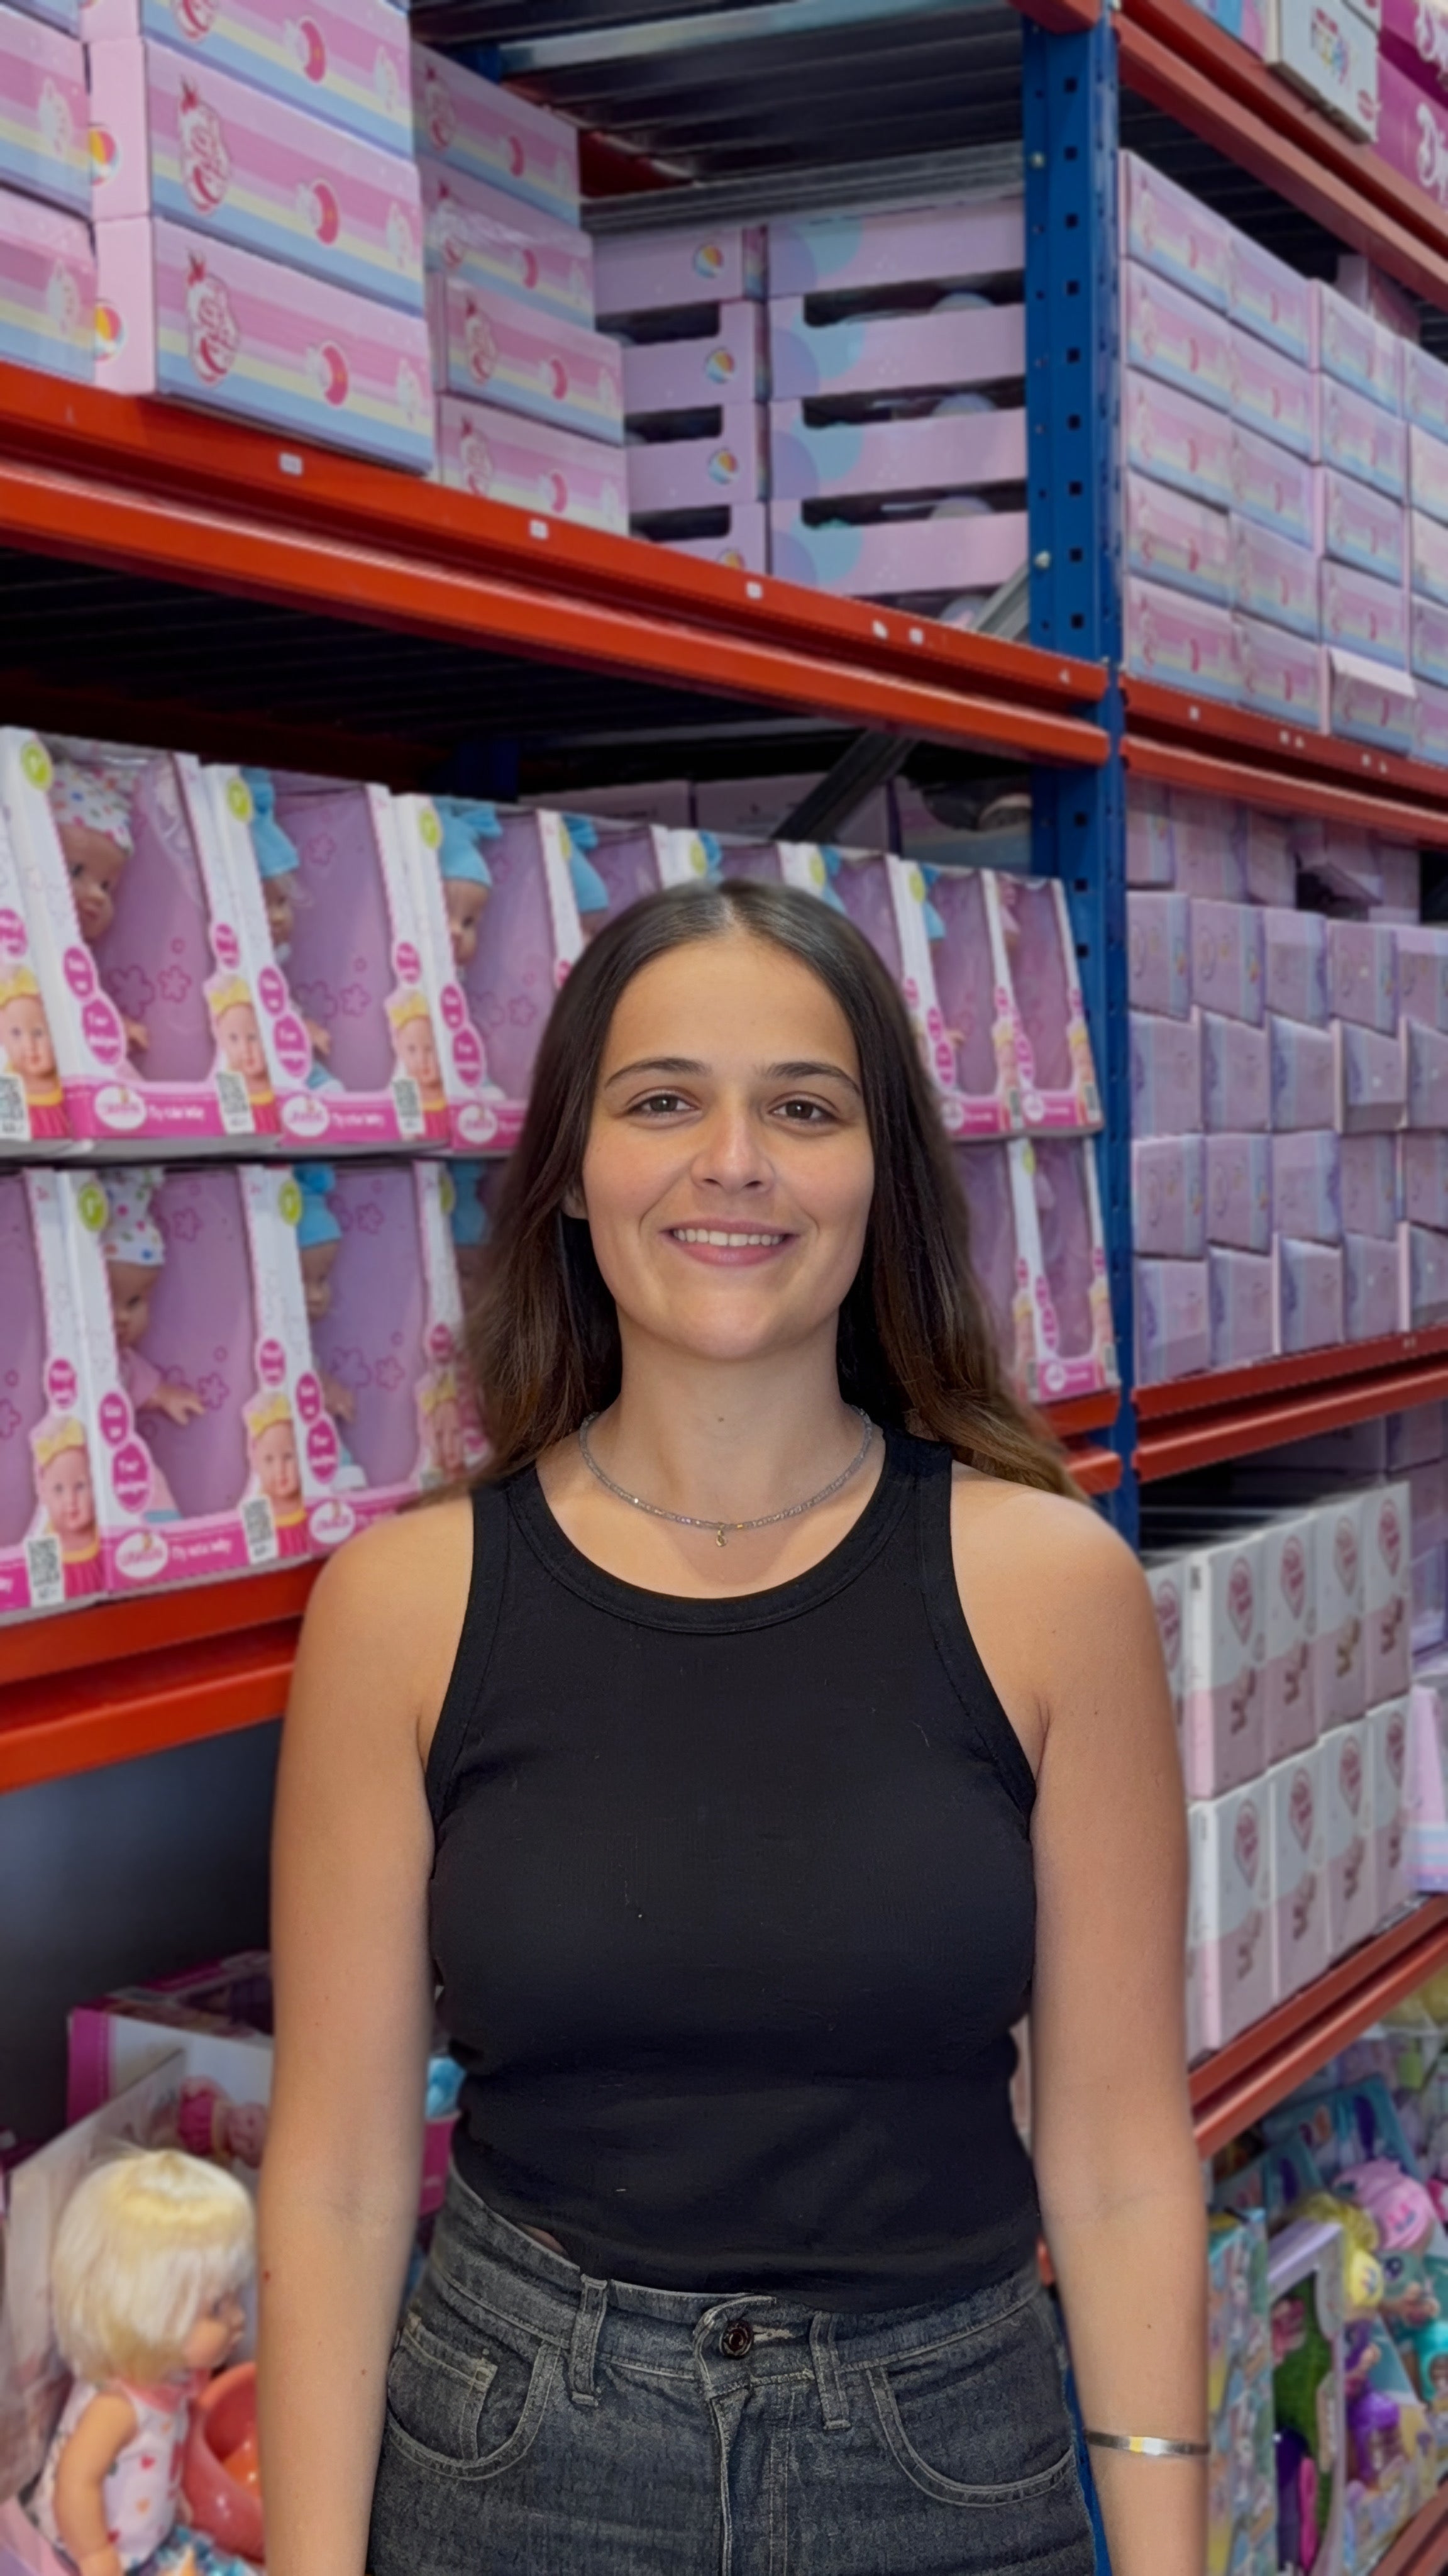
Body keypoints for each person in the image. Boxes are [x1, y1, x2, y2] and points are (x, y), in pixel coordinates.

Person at [259, 877, 1204, 2576]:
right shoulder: (402, 1606)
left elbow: (1122, 2156)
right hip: (515, 2461)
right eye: (662, 1101)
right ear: (571, 1169)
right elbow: (334, 2176)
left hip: (943, 2463)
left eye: (805, 1109)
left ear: (882, 1175)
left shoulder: (1052, 1588)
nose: (735, 1161)